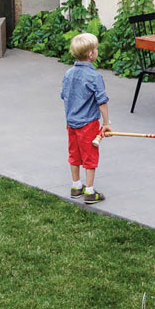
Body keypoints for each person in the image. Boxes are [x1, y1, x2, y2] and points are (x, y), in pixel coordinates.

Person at [61, 33, 112, 205]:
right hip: (88, 125)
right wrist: (106, 123)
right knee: (90, 156)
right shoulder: (94, 77)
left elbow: (64, 96)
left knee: (74, 153)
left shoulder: (68, 74)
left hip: (71, 124)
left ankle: (76, 186)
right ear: (91, 54)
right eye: (96, 48)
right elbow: (102, 101)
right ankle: (89, 191)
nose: (97, 51)